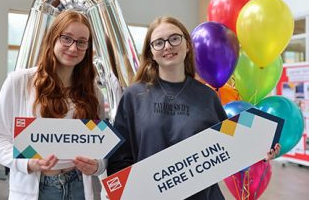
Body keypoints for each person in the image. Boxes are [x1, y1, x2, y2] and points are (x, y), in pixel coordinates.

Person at [107, 16, 280, 200]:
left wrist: (260, 149)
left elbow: (229, 150)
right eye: (158, 42)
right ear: (150, 52)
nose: (167, 46)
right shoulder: (134, 97)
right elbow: (119, 159)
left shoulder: (207, 97)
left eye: (174, 38)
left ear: (187, 45)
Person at [0, 10, 106, 200]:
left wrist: (97, 165)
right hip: (38, 187)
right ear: (52, 39)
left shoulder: (93, 92)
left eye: (81, 42)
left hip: (80, 187)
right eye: (66, 38)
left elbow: (101, 147)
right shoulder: (19, 82)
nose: (73, 48)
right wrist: (28, 162)